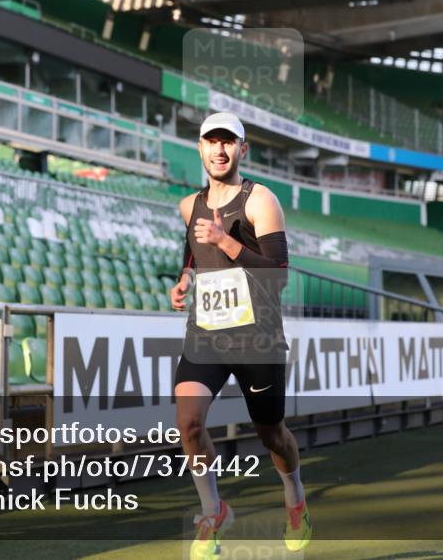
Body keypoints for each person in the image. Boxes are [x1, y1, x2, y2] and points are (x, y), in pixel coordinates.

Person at [170, 112, 312, 559]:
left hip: (257, 337)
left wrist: (226, 240)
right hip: (207, 332)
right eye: (211, 141)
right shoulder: (188, 205)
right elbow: (193, 253)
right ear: (200, 148)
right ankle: (213, 513)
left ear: (242, 149)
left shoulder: (261, 201)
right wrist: (185, 281)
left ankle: (294, 495)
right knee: (189, 424)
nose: (219, 150)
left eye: (228, 142)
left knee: (271, 434)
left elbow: (280, 277)